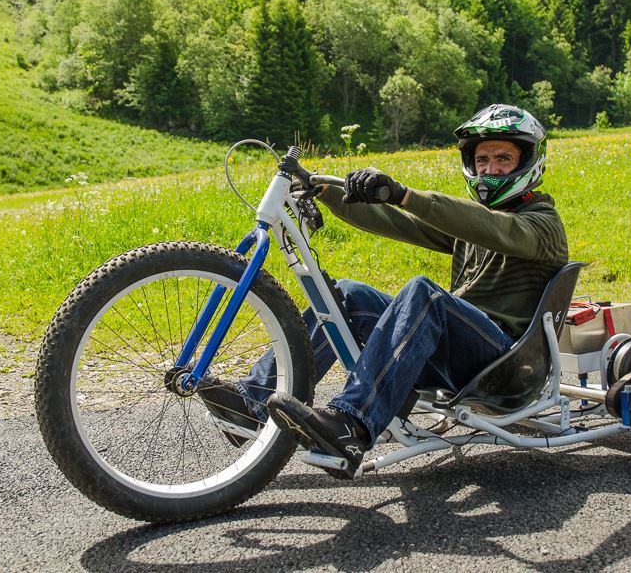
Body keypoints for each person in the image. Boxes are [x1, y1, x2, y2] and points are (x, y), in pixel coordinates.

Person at [199, 104, 569, 478]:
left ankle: (352, 425)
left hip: (505, 365)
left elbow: (492, 228)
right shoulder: (476, 221)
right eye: (483, 159)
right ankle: (250, 405)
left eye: (503, 158)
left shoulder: (542, 223)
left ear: (528, 162)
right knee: (348, 296)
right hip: (457, 354)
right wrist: (326, 189)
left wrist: (404, 193)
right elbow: (396, 221)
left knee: (424, 294)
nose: (490, 169)